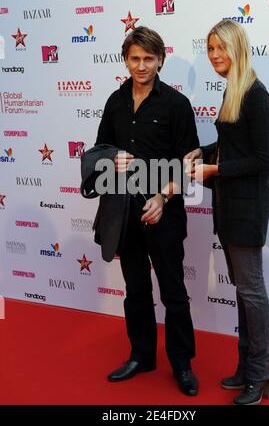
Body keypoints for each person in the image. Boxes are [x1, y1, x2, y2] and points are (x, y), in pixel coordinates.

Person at [95, 26, 199, 396]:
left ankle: (182, 364)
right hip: (124, 213)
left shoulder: (175, 104)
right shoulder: (114, 101)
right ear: (126, 59)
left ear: (160, 60)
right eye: (135, 58)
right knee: (135, 289)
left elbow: (190, 161)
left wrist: (161, 198)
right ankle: (141, 356)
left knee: (173, 290)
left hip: (164, 210)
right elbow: (98, 151)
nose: (141, 66)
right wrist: (112, 156)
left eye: (148, 59)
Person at [186, 19, 269, 405]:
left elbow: (263, 159)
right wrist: (202, 153)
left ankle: (261, 374)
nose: (215, 56)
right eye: (210, 49)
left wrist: (214, 169)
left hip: (247, 209)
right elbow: (233, 145)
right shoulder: (233, 91)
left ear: (238, 48)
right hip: (228, 205)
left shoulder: (255, 94)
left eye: (221, 48)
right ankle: (246, 368)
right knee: (243, 292)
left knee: (252, 292)